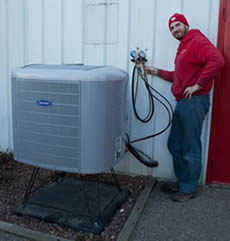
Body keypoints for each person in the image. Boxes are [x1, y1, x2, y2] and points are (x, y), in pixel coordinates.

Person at [145, 13, 224, 202]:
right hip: (183, 103)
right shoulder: (184, 47)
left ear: (186, 25)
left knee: (189, 146)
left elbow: (217, 60)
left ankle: (188, 188)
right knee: (175, 144)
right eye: (172, 28)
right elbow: (179, 76)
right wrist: (157, 72)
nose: (175, 30)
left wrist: (198, 85)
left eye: (178, 25)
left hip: (195, 101)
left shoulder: (196, 40)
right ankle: (183, 182)